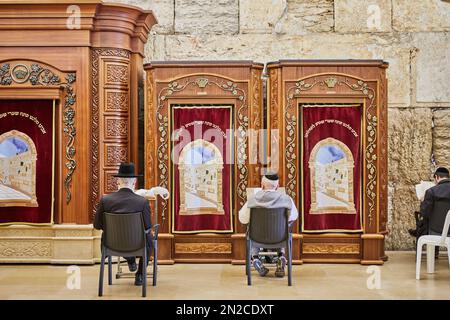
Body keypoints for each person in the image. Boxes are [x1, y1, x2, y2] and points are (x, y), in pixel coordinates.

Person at [93, 162, 152, 286]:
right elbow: (147, 227)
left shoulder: (105, 200)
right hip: (137, 244)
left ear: (118, 182)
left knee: (121, 240)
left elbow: (97, 225)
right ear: (134, 182)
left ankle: (130, 259)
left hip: (111, 244)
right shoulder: (142, 202)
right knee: (149, 239)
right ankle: (140, 274)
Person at [239, 173, 298, 277]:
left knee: (251, 229)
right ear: (277, 186)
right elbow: (293, 216)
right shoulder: (286, 199)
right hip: (279, 238)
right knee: (281, 228)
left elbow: (242, 219)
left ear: (262, 185)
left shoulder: (253, 199)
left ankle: (256, 259)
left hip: (257, 238)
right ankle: (281, 257)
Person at [410, 167, 450, 258]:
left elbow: (424, 213)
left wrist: (423, 201)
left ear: (436, 177)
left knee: (426, 221)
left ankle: (418, 232)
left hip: (436, 230)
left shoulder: (431, 191)